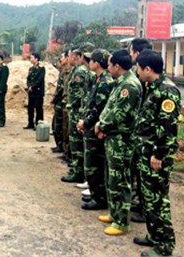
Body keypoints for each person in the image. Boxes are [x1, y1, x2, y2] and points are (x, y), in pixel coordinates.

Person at [133, 50, 180, 257]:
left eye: (138, 68)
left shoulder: (167, 91)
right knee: (149, 198)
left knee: (159, 199)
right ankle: (154, 236)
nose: (137, 71)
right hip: (146, 153)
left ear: (147, 69)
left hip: (156, 156)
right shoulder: (151, 87)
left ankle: (165, 245)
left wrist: (159, 155)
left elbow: (167, 127)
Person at [94, 49, 142, 236]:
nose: (107, 67)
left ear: (117, 66)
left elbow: (119, 113)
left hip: (122, 140)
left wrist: (102, 125)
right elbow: (110, 107)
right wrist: (101, 124)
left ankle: (122, 222)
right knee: (112, 177)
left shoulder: (128, 86)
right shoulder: (120, 83)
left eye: (109, 64)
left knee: (120, 180)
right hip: (113, 137)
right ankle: (114, 213)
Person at [77, 49, 114, 210]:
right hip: (91, 126)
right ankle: (96, 195)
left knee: (94, 165)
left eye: (91, 60)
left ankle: (99, 198)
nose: (88, 62)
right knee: (93, 164)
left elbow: (98, 107)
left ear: (97, 63)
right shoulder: (99, 79)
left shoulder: (105, 82)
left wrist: (85, 122)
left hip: (95, 127)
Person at [62, 46, 94, 185]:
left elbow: (79, 93)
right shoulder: (79, 70)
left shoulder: (80, 71)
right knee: (75, 142)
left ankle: (78, 171)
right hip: (77, 110)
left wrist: (72, 106)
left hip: (77, 110)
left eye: (70, 56)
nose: (68, 58)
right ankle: (77, 168)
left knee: (76, 142)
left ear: (77, 57)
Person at [129, 38, 153, 223]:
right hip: (139, 133)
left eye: (131, 52)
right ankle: (140, 202)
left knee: (147, 176)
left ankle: (146, 208)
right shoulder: (140, 77)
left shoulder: (149, 77)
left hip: (149, 137)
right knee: (138, 170)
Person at [51, 51, 69, 152]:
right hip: (59, 103)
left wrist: (55, 98)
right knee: (56, 125)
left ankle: (62, 147)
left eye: (62, 57)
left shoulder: (68, 72)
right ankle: (60, 145)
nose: (60, 60)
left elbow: (62, 89)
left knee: (60, 126)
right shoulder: (62, 71)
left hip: (62, 103)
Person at [24, 52, 45, 129]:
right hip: (31, 92)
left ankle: (39, 124)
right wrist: (29, 86)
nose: (30, 59)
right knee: (30, 108)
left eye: (32, 57)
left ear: (36, 59)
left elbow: (40, 80)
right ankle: (30, 123)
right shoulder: (31, 68)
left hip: (38, 92)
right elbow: (28, 79)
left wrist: (33, 86)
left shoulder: (41, 68)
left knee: (38, 108)